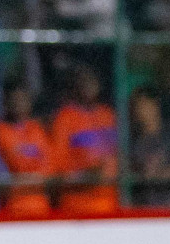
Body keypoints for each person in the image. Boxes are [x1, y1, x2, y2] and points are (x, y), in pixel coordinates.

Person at [50, 65, 119, 215]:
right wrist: (87, 174)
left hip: (111, 205)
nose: (88, 86)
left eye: (92, 81)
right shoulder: (65, 117)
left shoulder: (108, 115)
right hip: (78, 207)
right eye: (83, 81)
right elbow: (57, 169)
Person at [0, 80, 54, 217]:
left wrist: (26, 176)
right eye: (13, 100)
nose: (17, 104)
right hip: (12, 209)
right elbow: (13, 165)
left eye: (22, 99)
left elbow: (48, 168)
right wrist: (31, 173)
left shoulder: (38, 129)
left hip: (41, 207)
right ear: (5, 103)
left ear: (29, 102)